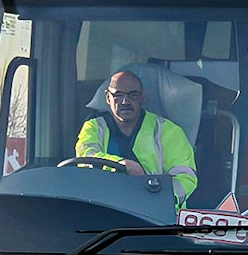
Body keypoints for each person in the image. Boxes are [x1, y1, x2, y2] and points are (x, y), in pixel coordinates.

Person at [76, 70, 198, 205]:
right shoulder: (94, 128)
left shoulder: (169, 131)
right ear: (107, 97)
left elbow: (186, 179)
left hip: (157, 219)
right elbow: (85, 159)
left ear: (142, 98)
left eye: (133, 95)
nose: (125, 101)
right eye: (118, 95)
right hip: (103, 210)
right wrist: (120, 165)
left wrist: (154, 196)